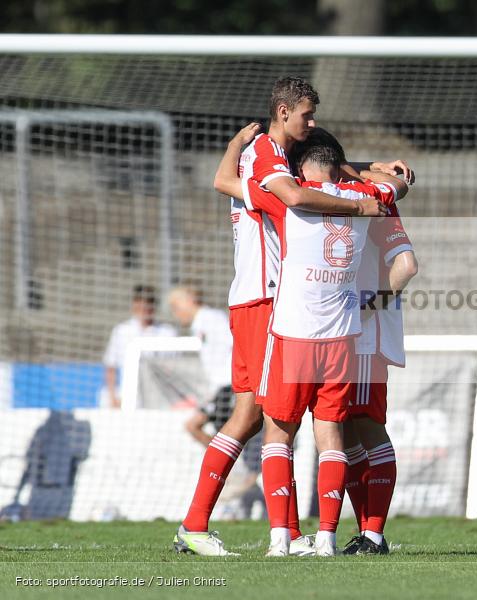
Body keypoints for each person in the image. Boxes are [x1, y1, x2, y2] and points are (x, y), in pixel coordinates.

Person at [174, 76, 399, 557]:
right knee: (258, 416)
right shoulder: (265, 155)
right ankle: (205, 526)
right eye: (306, 116)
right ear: (283, 113)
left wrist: (362, 169)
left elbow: (284, 176)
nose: (311, 123)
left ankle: (286, 535)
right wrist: (362, 197)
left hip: (273, 301)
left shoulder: (268, 158)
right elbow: (298, 193)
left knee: (272, 420)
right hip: (262, 299)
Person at [224, 139, 408, 556]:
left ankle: (280, 539)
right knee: (332, 435)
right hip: (343, 336)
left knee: (278, 433)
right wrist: (366, 171)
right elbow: (396, 187)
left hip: (293, 334)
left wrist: (239, 144)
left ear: (300, 172)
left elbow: (228, 181)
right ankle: (326, 538)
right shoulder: (365, 198)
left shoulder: (290, 201)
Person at [167, 285, 233, 445]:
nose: (175, 313)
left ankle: (229, 465)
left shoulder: (211, 318)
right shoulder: (199, 323)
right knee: (218, 432)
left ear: (189, 301)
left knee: (196, 426)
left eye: (176, 307)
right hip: (219, 388)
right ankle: (229, 465)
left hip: (227, 386)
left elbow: (233, 344)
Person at [103, 284, 176, 409]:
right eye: (140, 302)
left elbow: (174, 368)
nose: (144, 307)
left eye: (148, 303)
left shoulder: (167, 332)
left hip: (158, 397)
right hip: (129, 396)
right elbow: (111, 366)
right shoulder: (122, 331)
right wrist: (113, 397)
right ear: (134, 304)